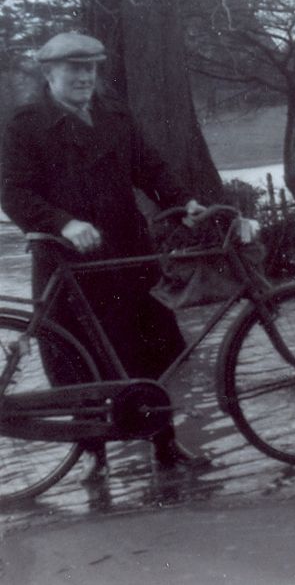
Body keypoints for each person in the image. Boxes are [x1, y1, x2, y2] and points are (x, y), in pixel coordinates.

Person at [0, 31, 210, 481]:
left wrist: (182, 201)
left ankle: (165, 446)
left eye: (90, 68)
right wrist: (63, 223)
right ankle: (93, 458)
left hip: (126, 251)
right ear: (49, 73)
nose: (84, 77)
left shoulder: (114, 113)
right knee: (78, 361)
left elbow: (149, 166)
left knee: (152, 351)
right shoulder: (27, 123)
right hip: (68, 259)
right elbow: (13, 191)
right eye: (74, 69)